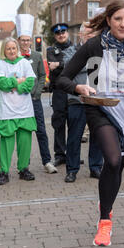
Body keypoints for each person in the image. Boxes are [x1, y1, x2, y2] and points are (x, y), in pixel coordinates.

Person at [57, 0, 124, 247]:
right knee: (112, 159)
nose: (123, 24)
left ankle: (106, 204)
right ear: (108, 21)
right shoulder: (94, 45)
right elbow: (62, 79)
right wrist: (78, 87)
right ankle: (105, 221)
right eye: (118, 19)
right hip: (100, 108)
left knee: (116, 167)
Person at [16, 14, 57, 174]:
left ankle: (46, 161)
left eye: (28, 40)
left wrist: (37, 92)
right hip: (19, 101)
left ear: (31, 40)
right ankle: (23, 165)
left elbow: (42, 76)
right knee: (22, 133)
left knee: (41, 130)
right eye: (23, 40)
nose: (25, 43)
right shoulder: (15, 57)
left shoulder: (37, 56)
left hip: (34, 100)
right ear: (19, 40)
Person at [0, 37, 37, 185]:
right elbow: (1, 83)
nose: (11, 51)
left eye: (13, 48)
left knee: (25, 141)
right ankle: (4, 172)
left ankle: (23, 169)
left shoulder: (24, 63)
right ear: (4, 51)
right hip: (7, 111)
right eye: (8, 48)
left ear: (17, 49)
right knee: (6, 142)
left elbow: (30, 83)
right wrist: (18, 81)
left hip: (24, 110)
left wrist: (14, 86)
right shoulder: (0, 64)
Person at [64, 22, 103, 183]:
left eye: (93, 35)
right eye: (88, 35)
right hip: (77, 100)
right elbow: (69, 68)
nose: (91, 38)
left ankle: (95, 167)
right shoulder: (70, 51)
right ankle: (72, 170)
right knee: (74, 136)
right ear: (80, 35)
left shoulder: (101, 51)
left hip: (96, 100)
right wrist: (87, 62)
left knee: (97, 135)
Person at [47, 23, 76, 167]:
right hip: (59, 91)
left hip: (73, 89)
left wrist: (58, 64)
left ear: (67, 33)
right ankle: (60, 154)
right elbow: (67, 66)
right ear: (55, 35)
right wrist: (66, 64)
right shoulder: (51, 50)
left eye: (63, 32)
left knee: (74, 123)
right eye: (58, 33)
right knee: (58, 123)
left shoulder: (76, 48)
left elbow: (76, 65)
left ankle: (71, 154)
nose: (61, 35)